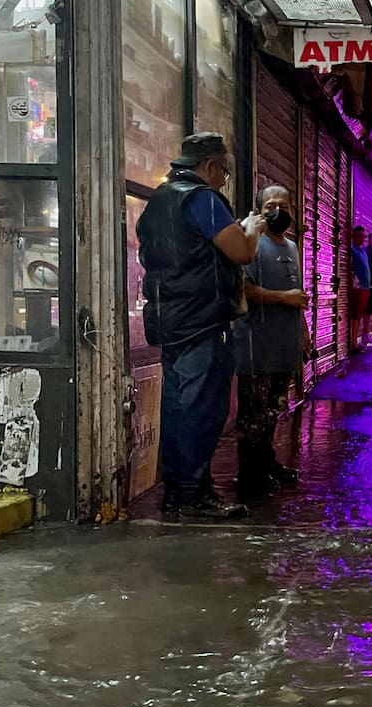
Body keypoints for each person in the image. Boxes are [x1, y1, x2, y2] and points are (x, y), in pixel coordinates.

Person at [137, 132, 265, 519]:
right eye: (223, 172)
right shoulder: (202, 199)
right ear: (209, 166)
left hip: (170, 320)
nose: (224, 180)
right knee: (202, 410)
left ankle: (182, 490)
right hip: (203, 321)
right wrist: (253, 227)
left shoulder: (160, 199)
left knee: (178, 407)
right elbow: (240, 251)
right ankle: (191, 494)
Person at [234, 184, 311, 497]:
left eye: (283, 204)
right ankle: (250, 475)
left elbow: (299, 297)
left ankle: (267, 463)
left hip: (284, 347)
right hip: (257, 347)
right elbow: (243, 290)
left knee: (274, 410)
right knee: (253, 415)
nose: (277, 210)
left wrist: (304, 335)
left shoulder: (291, 247)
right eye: (270, 205)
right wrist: (283, 298)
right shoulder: (250, 244)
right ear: (258, 210)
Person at [348, 226, 371, 353]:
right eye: (359, 236)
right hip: (358, 288)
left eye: (363, 236)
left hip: (365, 288)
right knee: (356, 315)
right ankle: (353, 343)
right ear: (353, 236)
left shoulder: (362, 251)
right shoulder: (352, 250)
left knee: (360, 315)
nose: (361, 239)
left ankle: (356, 341)